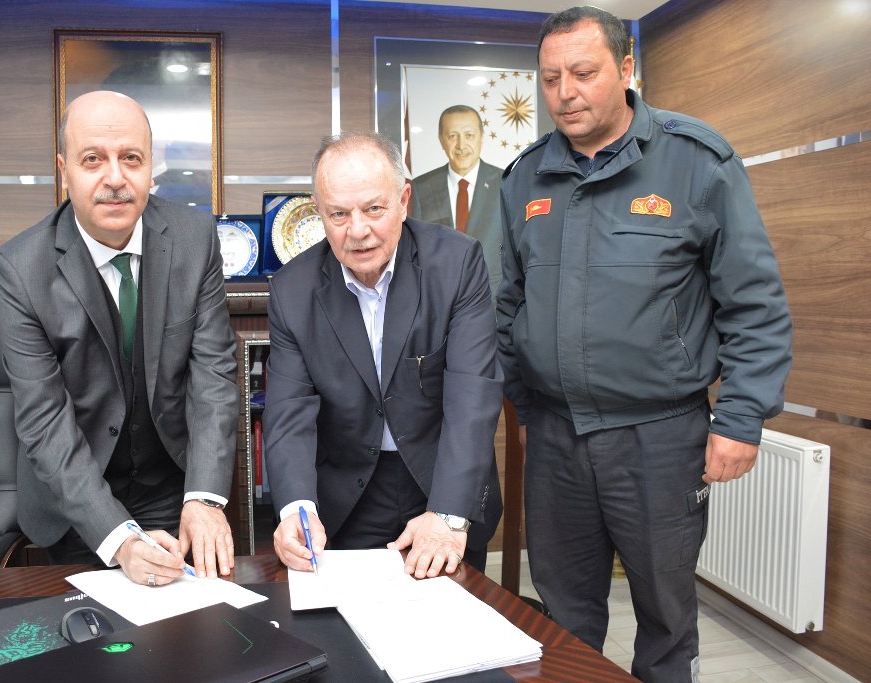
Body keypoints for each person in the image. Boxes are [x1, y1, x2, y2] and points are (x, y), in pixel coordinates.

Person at [496, 7, 792, 683]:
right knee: (562, 615)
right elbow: (508, 305)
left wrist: (740, 418)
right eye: (549, 78)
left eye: (583, 73)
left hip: (659, 438)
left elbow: (754, 304)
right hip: (557, 438)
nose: (564, 93)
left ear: (627, 69)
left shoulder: (697, 162)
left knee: (664, 617)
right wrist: (526, 407)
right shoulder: (525, 178)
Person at [0, 90, 239, 586]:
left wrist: (204, 499)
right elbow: (44, 421)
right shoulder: (21, 269)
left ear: (151, 168)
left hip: (173, 486)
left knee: (196, 624)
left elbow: (214, 375)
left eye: (131, 158)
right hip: (78, 502)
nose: (114, 178)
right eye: (92, 160)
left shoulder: (194, 239)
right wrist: (120, 538)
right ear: (64, 170)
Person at [264, 132, 503, 578]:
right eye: (338, 214)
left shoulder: (456, 264)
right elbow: (289, 412)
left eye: (374, 209)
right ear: (319, 212)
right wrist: (296, 509)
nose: (358, 231)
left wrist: (448, 515)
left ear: (404, 200)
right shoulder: (293, 291)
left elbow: (472, 397)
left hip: (441, 482)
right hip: (347, 497)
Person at [409, 105, 504, 296]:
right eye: (453, 136)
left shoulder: (506, 183)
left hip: (494, 299)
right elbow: (416, 249)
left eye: (469, 135)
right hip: (438, 298)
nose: (461, 145)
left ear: (481, 137)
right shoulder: (420, 187)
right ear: (441, 140)